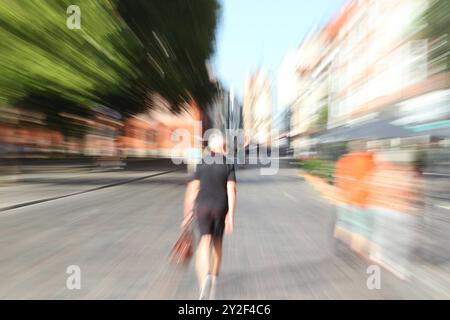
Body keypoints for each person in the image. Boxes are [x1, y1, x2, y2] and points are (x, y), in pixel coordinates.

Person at [182, 133, 236, 300]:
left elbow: (193, 189)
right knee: (217, 245)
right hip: (220, 208)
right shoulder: (227, 164)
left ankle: (203, 281)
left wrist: (187, 213)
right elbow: (231, 191)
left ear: (210, 147)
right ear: (221, 147)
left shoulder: (202, 163)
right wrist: (230, 216)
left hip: (203, 208)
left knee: (204, 243)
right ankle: (212, 280)